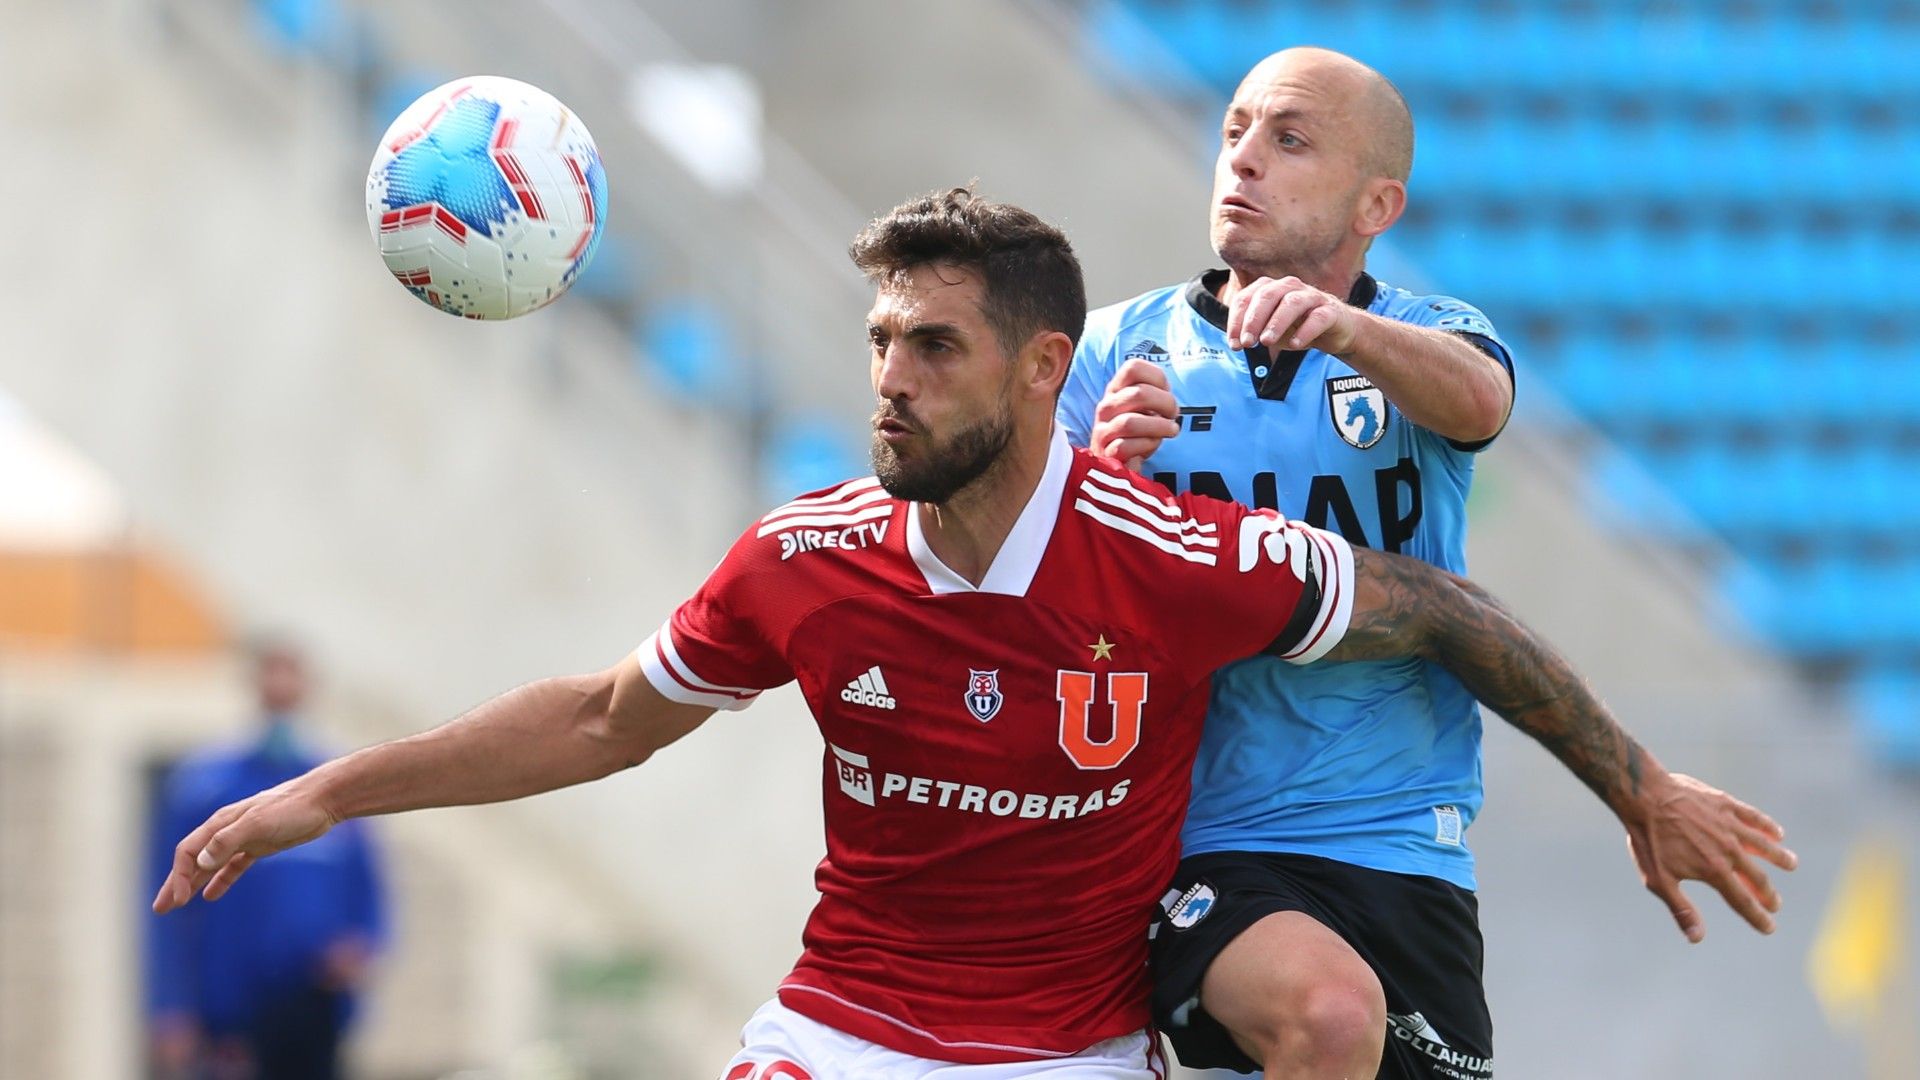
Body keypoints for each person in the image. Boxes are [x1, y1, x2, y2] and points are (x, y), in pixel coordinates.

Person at [152, 189, 1790, 1080]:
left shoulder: (1172, 559)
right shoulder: (802, 561)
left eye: (934, 344)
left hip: (1066, 1053)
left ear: (1040, 370)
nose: (891, 375)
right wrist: (323, 796)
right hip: (838, 1036)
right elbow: (596, 719)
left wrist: (1637, 780)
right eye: (878, 340)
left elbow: (1441, 609)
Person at [1059, 47, 1791, 1078]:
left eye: (1289, 138)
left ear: (1377, 203)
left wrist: (1345, 332)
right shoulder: (1109, 354)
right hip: (1198, 835)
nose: (1244, 160)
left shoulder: (1425, 339)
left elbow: (1481, 401)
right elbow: (1040, 603)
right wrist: (1099, 476)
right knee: (1325, 1016)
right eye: (1233, 131)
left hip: (1402, 843)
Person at [145, 637, 387, 1080]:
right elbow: (168, 903)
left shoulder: (334, 789)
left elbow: (368, 895)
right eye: (271, 671)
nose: (280, 684)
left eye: (291, 671)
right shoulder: (207, 787)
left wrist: (359, 947)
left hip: (315, 1005)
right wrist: (171, 1005)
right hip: (230, 1011)